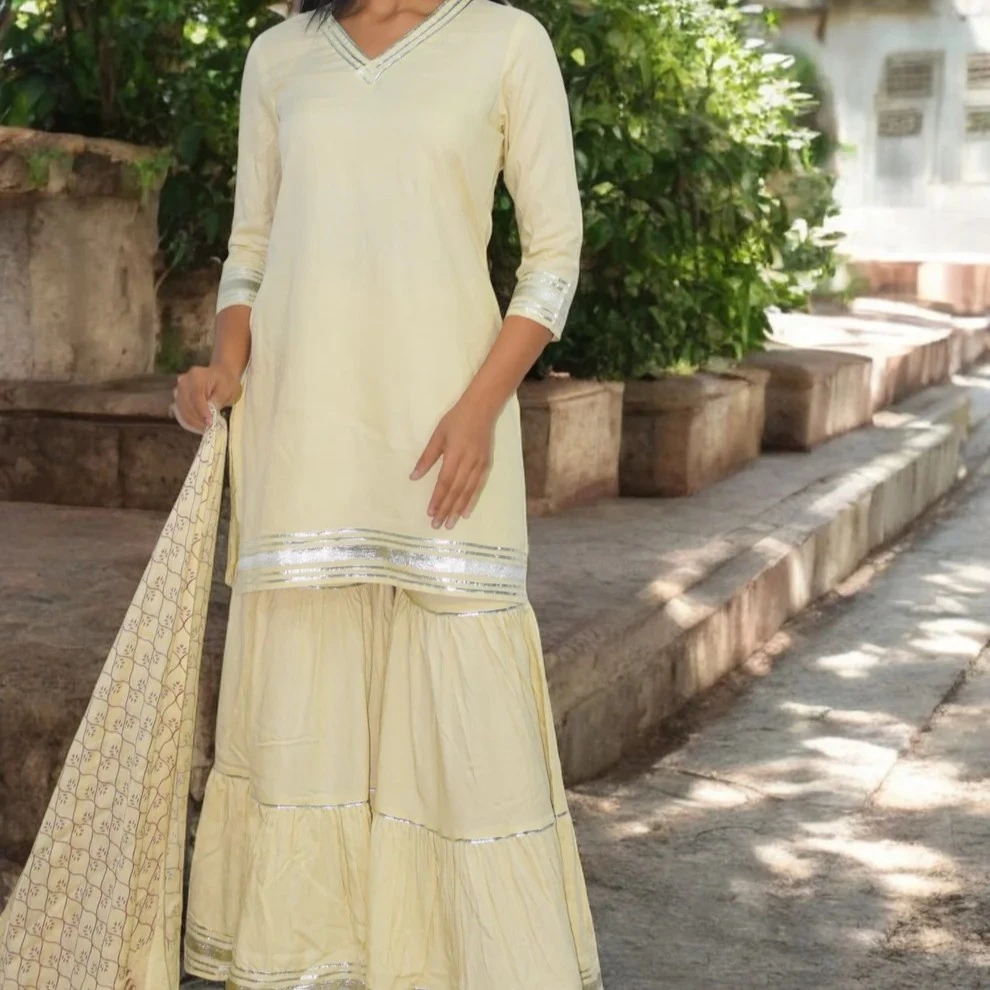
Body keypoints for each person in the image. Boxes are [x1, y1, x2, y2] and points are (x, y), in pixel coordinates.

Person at [22, 0, 600, 987]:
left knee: (463, 712)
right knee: (303, 712)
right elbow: (250, 249)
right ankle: (311, 960)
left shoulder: (506, 41)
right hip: (303, 435)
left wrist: (480, 407)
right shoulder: (280, 54)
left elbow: (554, 256)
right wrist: (223, 370)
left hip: (444, 436)